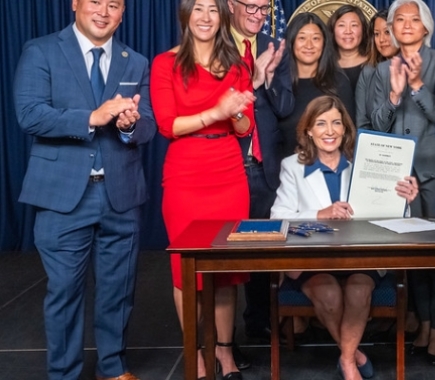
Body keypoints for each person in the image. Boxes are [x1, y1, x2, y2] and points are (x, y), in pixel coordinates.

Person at [13, 0, 155, 378]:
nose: (104, 11)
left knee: (118, 290)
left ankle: (113, 367)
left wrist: (128, 125)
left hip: (120, 195)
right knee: (64, 292)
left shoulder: (135, 60)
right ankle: (64, 373)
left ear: (123, 13)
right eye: (96, 1)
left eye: (114, 5)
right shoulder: (41, 50)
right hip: (62, 197)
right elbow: (29, 114)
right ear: (75, 4)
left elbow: (149, 127)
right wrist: (92, 117)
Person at [270, 95, 419, 380]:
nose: (330, 131)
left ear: (345, 129)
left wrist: (405, 199)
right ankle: (354, 356)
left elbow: (392, 214)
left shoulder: (364, 164)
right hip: (313, 259)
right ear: (309, 131)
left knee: (358, 291)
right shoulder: (292, 166)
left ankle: (347, 361)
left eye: (337, 123)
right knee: (328, 294)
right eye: (321, 123)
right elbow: (278, 217)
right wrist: (320, 213)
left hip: (361, 255)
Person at [150, 0, 255, 379]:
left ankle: (225, 352)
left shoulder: (238, 64)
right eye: (198, 9)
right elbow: (167, 125)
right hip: (185, 174)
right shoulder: (166, 63)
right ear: (186, 16)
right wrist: (218, 111)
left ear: (223, 16)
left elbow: (244, 129)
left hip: (228, 172)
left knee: (225, 270)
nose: (206, 17)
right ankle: (195, 352)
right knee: (186, 270)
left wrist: (239, 110)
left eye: (213, 9)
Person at [369, 0, 435, 364]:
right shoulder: (380, 69)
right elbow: (376, 123)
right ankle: (422, 322)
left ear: (426, 28)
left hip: (434, 171)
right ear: (389, 28)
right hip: (397, 176)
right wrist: (392, 94)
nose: (405, 25)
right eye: (398, 19)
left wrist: (417, 85)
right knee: (412, 255)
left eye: (413, 19)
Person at [227, 0, 295, 351]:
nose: (257, 14)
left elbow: (285, 107)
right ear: (230, 4)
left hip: (263, 167)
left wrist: (267, 80)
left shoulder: (273, 46)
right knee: (221, 254)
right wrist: (251, 82)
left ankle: (258, 323)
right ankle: (221, 340)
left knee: (263, 249)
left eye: (263, 8)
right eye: (250, 6)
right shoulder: (215, 41)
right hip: (224, 166)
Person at [280, 12, 356, 156]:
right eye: (302, 38)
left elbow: (349, 135)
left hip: (329, 172)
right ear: (291, 41)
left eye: (316, 38)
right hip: (284, 172)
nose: (309, 45)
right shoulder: (278, 84)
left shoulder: (338, 82)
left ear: (324, 43)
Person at [355, 9, 399, 130]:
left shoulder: (414, 69)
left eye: (387, 32)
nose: (381, 40)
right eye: (376, 34)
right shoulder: (368, 71)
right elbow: (362, 122)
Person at [328, 5, 371, 91]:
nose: (348, 31)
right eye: (341, 25)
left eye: (354, 25)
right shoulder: (324, 67)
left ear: (363, 30)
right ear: (333, 30)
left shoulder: (374, 65)